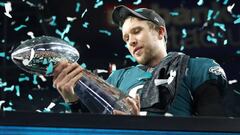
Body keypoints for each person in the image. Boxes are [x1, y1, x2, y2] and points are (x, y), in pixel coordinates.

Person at [53, 5, 228, 117]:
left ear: (160, 32)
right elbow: (93, 128)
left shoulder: (196, 67)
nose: (131, 41)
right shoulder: (116, 78)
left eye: (137, 31)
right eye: (126, 38)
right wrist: (73, 102)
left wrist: (141, 126)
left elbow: (214, 127)